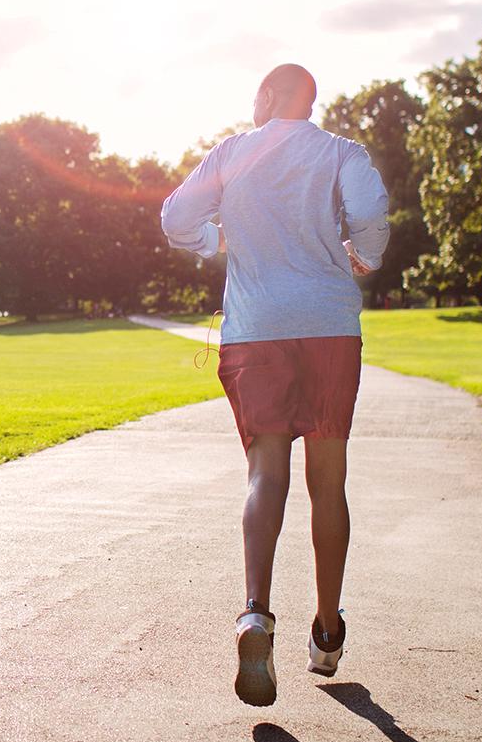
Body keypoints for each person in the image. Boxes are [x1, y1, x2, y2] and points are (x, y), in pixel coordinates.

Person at [158, 63, 391, 707]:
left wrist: (213, 240)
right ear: (310, 102)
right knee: (328, 481)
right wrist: (363, 256)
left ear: (267, 96)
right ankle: (326, 629)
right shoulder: (342, 153)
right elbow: (370, 215)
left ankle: (256, 613)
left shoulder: (232, 152)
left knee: (265, 473)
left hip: (255, 328)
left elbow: (176, 217)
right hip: (326, 325)